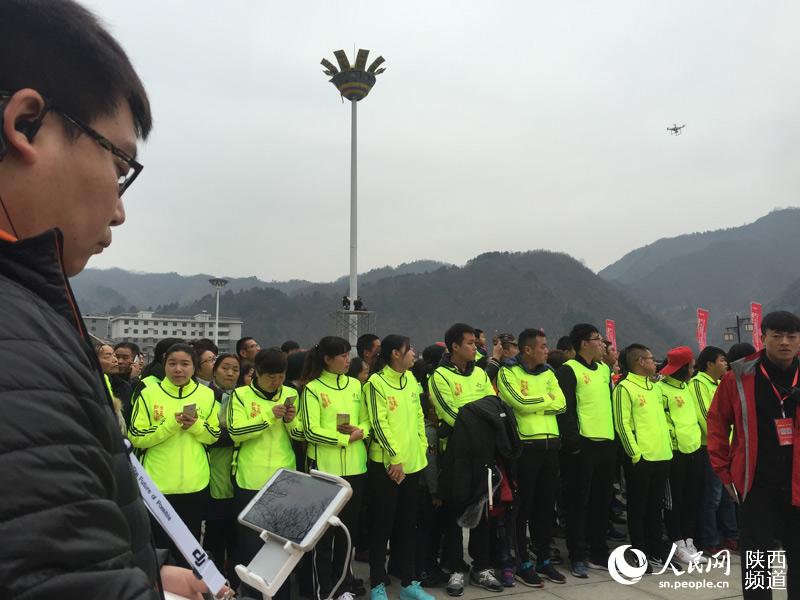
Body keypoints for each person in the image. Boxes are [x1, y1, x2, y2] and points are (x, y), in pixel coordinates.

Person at [0, 2, 218, 597]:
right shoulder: (17, 343)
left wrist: (143, 573)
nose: (120, 208)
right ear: (25, 125)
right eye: (119, 163)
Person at [708, 311, 800, 600]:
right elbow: (717, 423)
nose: (784, 342)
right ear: (763, 337)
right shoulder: (739, 375)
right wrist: (724, 472)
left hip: (798, 485)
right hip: (756, 484)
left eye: (792, 336)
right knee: (756, 562)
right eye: (777, 335)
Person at [128, 343, 221, 559]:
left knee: (189, 549)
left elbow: (213, 435)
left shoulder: (207, 395)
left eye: (184, 364)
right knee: (160, 549)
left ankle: (189, 589)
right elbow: (136, 437)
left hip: (195, 484)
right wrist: (170, 425)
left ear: (194, 367)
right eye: (172, 363)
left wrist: (196, 426)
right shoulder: (148, 393)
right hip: (158, 485)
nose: (178, 369)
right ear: (164, 365)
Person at [429, 323, 501, 595]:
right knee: (454, 514)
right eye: (470, 343)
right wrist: (480, 416)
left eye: (475, 343)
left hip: (483, 454)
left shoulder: (481, 374)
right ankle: (456, 568)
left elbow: (494, 406)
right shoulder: (440, 376)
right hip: (456, 455)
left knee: (481, 512)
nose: (475, 347)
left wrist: (478, 416)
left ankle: (481, 567)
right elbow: (450, 414)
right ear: (454, 347)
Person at [300, 336, 370, 600]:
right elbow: (310, 430)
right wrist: (343, 438)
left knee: (347, 533)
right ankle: (324, 591)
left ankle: (343, 587)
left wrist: (360, 430)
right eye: (341, 355)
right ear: (327, 359)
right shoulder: (313, 389)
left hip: (356, 468)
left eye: (347, 354)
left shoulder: (355, 385)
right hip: (325, 470)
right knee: (325, 535)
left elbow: (367, 419)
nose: (346, 360)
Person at [364, 335, 433, 600]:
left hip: (413, 464)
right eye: (409, 349)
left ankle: (409, 583)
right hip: (387, 466)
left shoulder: (412, 380)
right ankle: (378, 585)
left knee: (407, 526)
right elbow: (378, 423)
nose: (413, 353)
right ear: (395, 353)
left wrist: (422, 445)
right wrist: (394, 458)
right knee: (382, 527)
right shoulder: (376, 383)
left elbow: (419, 415)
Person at [496, 328, 566, 587]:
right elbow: (518, 403)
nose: (546, 350)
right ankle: (522, 562)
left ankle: (544, 559)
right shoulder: (508, 372)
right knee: (522, 508)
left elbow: (562, 404)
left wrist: (537, 402)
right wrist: (545, 400)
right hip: (525, 448)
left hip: (551, 446)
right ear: (527, 350)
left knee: (546, 507)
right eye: (542, 346)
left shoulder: (548, 371)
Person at [228, 348, 297, 600]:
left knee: (282, 546)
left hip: (285, 477)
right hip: (251, 478)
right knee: (252, 545)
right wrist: (270, 416)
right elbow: (236, 432)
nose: (276, 382)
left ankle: (281, 595)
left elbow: (298, 434)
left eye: (280, 376)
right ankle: (253, 594)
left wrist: (291, 420)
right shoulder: (241, 395)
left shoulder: (291, 393)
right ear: (256, 372)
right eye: (270, 377)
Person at [555, 324, 615, 578]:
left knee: (602, 502)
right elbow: (566, 411)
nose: (602, 344)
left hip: (606, 444)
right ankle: (578, 554)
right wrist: (574, 444)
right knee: (578, 503)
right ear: (583, 344)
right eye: (597, 340)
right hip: (583, 446)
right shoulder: (569, 370)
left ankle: (599, 551)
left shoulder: (604, 370)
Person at [613, 344, 673, 572]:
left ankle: (656, 552)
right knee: (638, 509)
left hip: (662, 456)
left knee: (655, 508)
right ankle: (639, 554)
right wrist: (635, 455)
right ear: (639, 362)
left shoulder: (655, 387)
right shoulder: (624, 388)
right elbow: (622, 424)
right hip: (641, 459)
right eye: (650, 359)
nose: (654, 363)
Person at [657, 346, 706, 565]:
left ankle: (689, 540)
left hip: (694, 450)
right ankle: (677, 543)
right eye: (692, 366)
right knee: (674, 501)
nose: (693, 369)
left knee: (691, 498)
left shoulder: (687, 388)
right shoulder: (661, 389)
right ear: (686, 367)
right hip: (674, 453)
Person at [691, 345, 738, 553]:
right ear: (709, 364)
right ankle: (710, 540)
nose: (725, 363)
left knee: (729, 495)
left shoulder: (719, 383)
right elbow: (707, 417)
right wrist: (720, 443)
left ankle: (731, 535)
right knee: (713, 496)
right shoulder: (698, 384)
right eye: (721, 360)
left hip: (728, 448)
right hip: (711, 449)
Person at [204, 353, 241, 585]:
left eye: (235, 369)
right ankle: (213, 583)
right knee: (215, 533)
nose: (230, 373)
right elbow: (209, 435)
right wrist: (238, 435)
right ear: (214, 370)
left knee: (236, 536)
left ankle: (235, 584)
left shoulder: (242, 397)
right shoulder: (206, 397)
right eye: (225, 368)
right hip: (214, 472)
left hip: (239, 473)